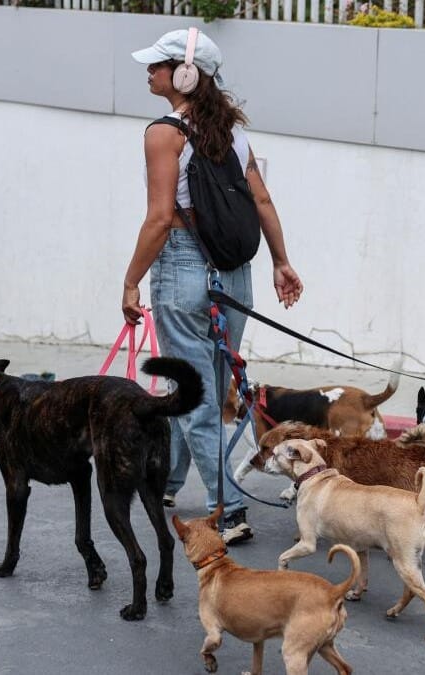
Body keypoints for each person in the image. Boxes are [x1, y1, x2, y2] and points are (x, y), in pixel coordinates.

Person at [124, 29, 304, 544]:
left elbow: (160, 219)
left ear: (185, 74)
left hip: (182, 269)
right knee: (202, 388)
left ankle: (228, 509)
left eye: (158, 65)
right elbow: (263, 202)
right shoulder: (233, 133)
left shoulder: (163, 133)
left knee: (197, 398)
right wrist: (281, 262)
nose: (150, 72)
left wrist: (131, 281)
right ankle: (169, 480)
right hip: (234, 279)